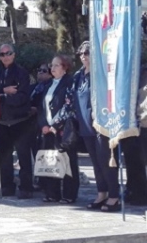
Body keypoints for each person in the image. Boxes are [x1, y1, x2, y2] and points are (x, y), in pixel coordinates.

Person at [55, 41, 119, 211]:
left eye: (88, 52)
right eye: (81, 53)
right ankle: (102, 193)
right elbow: (69, 101)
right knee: (96, 163)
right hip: (85, 125)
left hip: (102, 125)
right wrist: (58, 121)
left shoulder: (101, 74)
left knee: (107, 161)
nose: (84, 56)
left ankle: (114, 196)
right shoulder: (78, 76)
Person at [0, 44, 34, 199]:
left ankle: (26, 187)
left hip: (20, 121)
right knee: (4, 158)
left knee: (23, 157)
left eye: (8, 53)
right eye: (2, 54)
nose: (5, 57)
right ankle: (7, 186)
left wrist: (1, 96)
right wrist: (4, 91)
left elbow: (22, 96)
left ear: (14, 54)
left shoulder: (21, 73)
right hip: (2, 121)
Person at [37, 54, 79, 204]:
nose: (52, 68)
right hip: (47, 129)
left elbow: (69, 105)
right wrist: (43, 125)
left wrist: (56, 125)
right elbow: (42, 107)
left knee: (67, 161)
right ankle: (52, 193)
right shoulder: (48, 84)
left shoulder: (70, 82)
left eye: (56, 65)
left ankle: (69, 194)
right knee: (50, 161)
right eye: (51, 65)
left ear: (65, 68)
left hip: (63, 129)